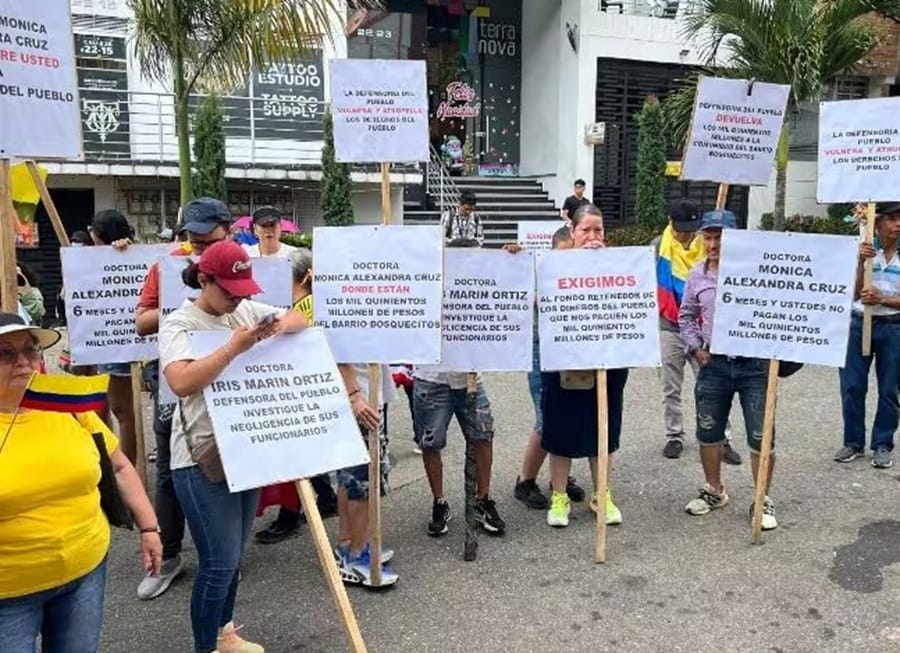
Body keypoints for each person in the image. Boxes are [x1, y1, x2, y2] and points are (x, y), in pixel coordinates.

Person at [160, 240, 308, 653]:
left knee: (233, 560)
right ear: (204, 280)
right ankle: (205, 646)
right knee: (218, 562)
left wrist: (276, 326)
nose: (237, 300)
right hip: (199, 458)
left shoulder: (243, 310)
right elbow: (181, 381)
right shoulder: (179, 324)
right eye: (229, 291)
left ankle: (225, 634)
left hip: (244, 449)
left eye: (243, 291)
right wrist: (233, 348)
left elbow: (301, 317)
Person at [0, 312, 162, 653]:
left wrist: (149, 528)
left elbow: (120, 466)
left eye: (30, 350)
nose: (23, 361)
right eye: (5, 353)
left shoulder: (66, 406)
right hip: (8, 592)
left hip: (85, 570)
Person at [134, 197, 233, 600]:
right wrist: (185, 307)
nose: (200, 251)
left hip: (234, 391)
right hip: (177, 380)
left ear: (229, 232)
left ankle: (226, 554)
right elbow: (141, 321)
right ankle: (169, 554)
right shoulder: (169, 265)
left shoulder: (250, 265)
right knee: (170, 470)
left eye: (210, 242)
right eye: (194, 242)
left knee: (232, 467)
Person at [679, 210, 778, 530]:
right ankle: (714, 490)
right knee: (708, 431)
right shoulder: (697, 274)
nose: (712, 245)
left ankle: (761, 498)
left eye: (719, 238)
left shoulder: (759, 270)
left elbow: (780, 307)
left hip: (754, 365)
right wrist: (695, 347)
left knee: (761, 434)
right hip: (714, 364)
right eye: (707, 238)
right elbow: (686, 315)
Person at [542, 205, 627, 528]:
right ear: (573, 231)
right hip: (564, 360)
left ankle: (602, 494)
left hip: (608, 360)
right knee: (560, 428)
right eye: (586, 230)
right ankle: (559, 496)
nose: (593, 236)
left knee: (603, 428)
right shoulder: (554, 265)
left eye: (598, 230)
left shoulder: (620, 264)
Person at [414, 236, 505, 537]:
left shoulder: (482, 287)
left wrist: (511, 258)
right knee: (430, 442)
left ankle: (482, 499)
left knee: (483, 436)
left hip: (470, 379)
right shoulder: (428, 289)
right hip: (432, 378)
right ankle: (439, 501)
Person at [254, 248, 339, 545]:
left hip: (304, 389)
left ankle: (290, 515)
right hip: (302, 387)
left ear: (304, 277)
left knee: (293, 454)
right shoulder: (293, 303)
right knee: (304, 452)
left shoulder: (310, 305)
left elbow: (296, 329)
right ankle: (326, 498)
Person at [654, 200, 741, 465]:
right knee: (670, 386)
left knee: (714, 385)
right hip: (668, 325)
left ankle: (722, 438)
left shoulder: (709, 245)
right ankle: (674, 436)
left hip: (703, 328)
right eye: (680, 229)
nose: (685, 235)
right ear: (670, 222)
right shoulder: (657, 246)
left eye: (690, 230)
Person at [513, 226, 586, 509]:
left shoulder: (582, 273)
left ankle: (560, 479)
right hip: (541, 350)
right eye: (562, 255)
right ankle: (525, 480)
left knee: (567, 415)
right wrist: (513, 256)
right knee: (546, 418)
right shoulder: (538, 272)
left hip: (570, 350)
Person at [836, 201, 900, 469]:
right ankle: (853, 442)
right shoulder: (859, 249)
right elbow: (847, 293)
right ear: (878, 222)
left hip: (893, 326)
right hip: (857, 323)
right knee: (851, 386)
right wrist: (861, 262)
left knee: (889, 389)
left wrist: (882, 298)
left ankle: (882, 444)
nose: (898, 224)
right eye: (892, 219)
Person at [88, 210, 140, 466]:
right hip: (98, 339)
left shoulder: (130, 254)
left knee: (123, 411)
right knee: (98, 410)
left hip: (119, 341)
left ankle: (127, 469)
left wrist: (125, 251)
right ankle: (109, 466)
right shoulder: (90, 259)